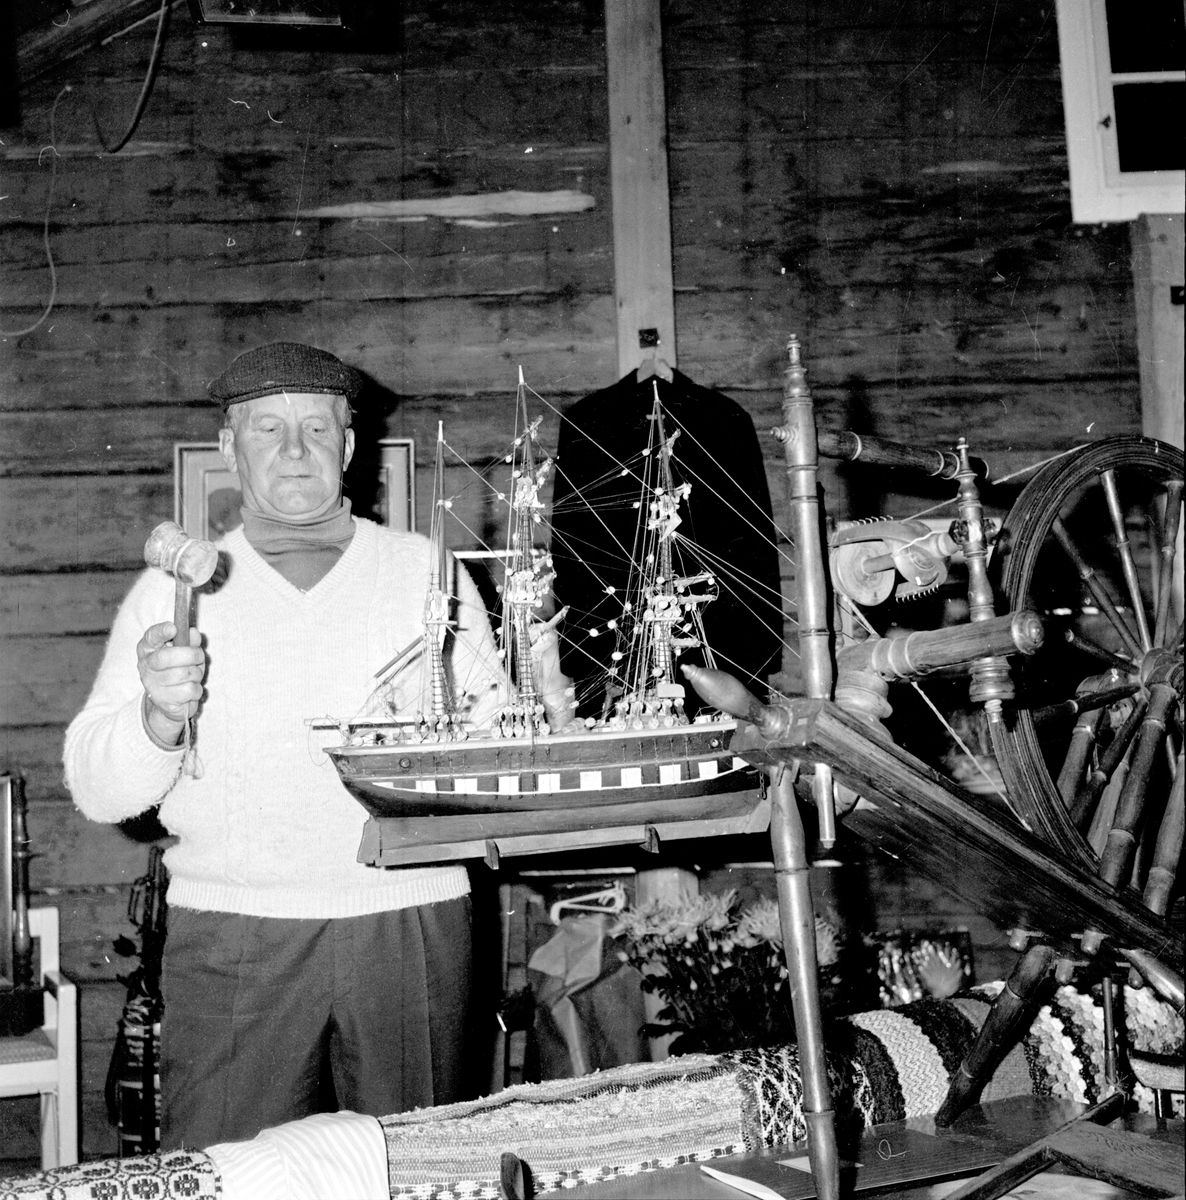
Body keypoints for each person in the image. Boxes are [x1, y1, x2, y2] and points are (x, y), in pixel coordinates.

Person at [64, 342, 503, 1149]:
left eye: (316, 428)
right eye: (267, 429)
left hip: (409, 920)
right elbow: (97, 789)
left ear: (349, 445)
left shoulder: (426, 572)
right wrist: (157, 719)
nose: (294, 449)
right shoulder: (174, 590)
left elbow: (496, 744)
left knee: (421, 1172)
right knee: (232, 1177)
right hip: (236, 932)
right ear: (229, 448)